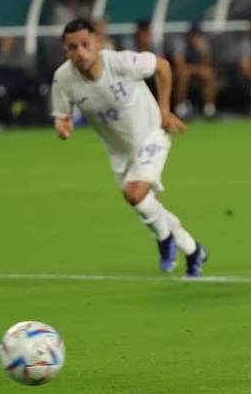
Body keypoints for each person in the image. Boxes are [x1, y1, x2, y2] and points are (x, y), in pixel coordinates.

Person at [51, 18, 207, 277]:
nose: (80, 52)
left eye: (85, 44)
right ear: (65, 51)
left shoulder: (121, 62)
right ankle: (193, 250)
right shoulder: (63, 78)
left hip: (151, 135)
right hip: (119, 152)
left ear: (97, 42)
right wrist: (63, 125)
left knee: (134, 194)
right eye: (72, 47)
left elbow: (163, 66)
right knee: (147, 203)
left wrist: (165, 112)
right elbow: (62, 114)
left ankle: (164, 239)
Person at [171, 26, 217, 119]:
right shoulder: (180, 43)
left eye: (197, 35)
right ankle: (181, 109)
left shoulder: (203, 45)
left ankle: (209, 109)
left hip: (196, 73)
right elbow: (179, 64)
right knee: (184, 74)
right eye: (193, 35)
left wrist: (202, 51)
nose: (195, 38)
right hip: (179, 74)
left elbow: (208, 64)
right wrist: (196, 69)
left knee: (208, 74)